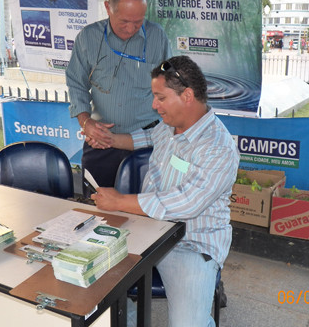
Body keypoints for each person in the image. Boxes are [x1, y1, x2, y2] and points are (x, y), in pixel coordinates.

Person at [91, 55, 240, 327]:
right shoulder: (169, 126)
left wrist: (120, 201)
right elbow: (147, 137)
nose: (153, 105)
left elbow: (186, 203)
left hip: (191, 245)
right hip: (145, 230)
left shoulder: (218, 147)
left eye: (160, 98)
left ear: (187, 96)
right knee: (91, 281)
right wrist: (111, 140)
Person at [66, 0, 171, 190]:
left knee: (147, 215)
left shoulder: (157, 36)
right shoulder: (88, 38)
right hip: (100, 143)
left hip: (146, 144)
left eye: (138, 21)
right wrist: (86, 123)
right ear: (108, 7)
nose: (131, 28)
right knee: (98, 213)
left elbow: (169, 88)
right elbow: (76, 82)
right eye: (124, 21)